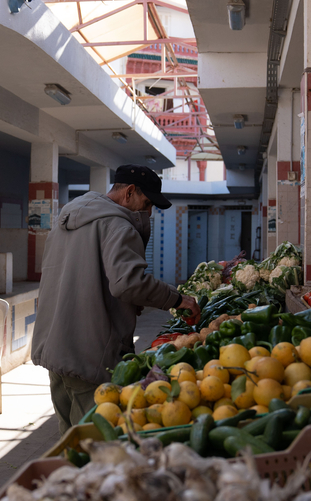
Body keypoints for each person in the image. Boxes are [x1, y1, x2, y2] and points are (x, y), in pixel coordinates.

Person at [32, 164, 201, 431]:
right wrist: (178, 299)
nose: (148, 213)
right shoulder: (118, 225)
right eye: (147, 204)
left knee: (70, 440)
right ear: (130, 192)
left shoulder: (67, 217)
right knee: (98, 440)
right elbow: (128, 282)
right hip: (90, 352)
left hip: (55, 345)